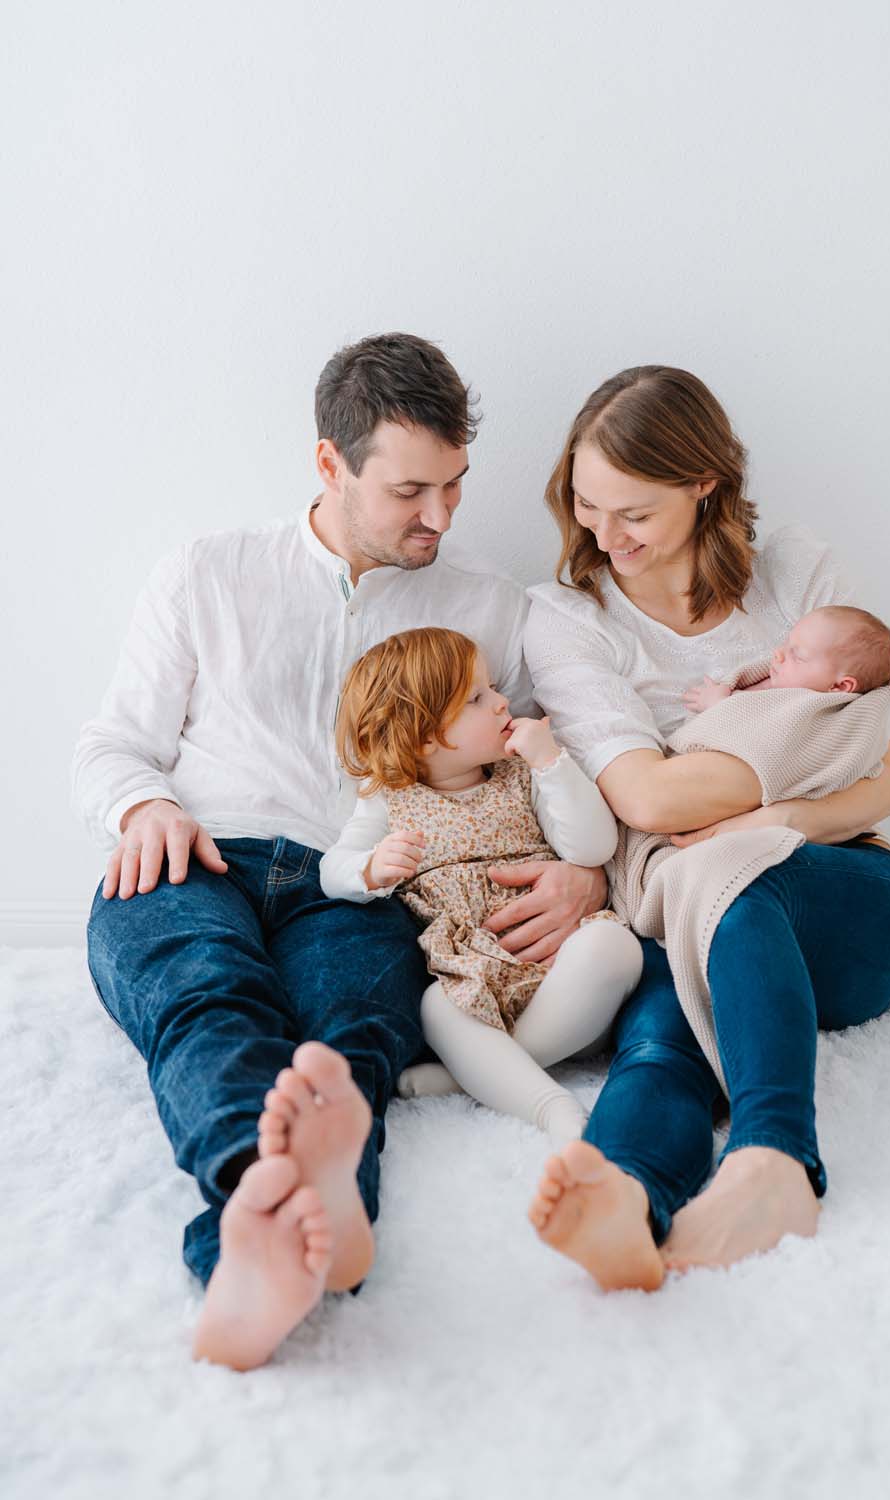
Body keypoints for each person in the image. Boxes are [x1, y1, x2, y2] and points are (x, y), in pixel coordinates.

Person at [73, 333, 608, 1370]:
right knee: (209, 999)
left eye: (455, 484)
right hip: (200, 854)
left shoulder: (489, 605)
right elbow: (113, 742)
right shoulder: (208, 573)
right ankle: (263, 1211)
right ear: (331, 463)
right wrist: (144, 806)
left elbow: (547, 757)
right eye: (410, 491)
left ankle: (283, 1243)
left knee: (355, 1035)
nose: (441, 516)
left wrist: (584, 869)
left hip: (361, 886)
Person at [521, 366, 890, 1291]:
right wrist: (807, 760)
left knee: (733, 869)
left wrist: (776, 817)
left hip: (849, 900)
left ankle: (776, 1159)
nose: (605, 536)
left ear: (705, 482)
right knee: (660, 1040)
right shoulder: (566, 618)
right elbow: (646, 802)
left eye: (635, 512)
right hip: (689, 923)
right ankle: (626, 1195)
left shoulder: (796, 572)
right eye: (587, 505)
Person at [319, 627, 643, 1145]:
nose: (501, 702)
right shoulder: (388, 798)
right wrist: (370, 869)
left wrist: (551, 763)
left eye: (493, 688)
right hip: (472, 976)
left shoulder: (522, 773)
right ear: (422, 735)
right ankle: (550, 1106)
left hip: (566, 983)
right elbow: (331, 869)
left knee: (615, 945)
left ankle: (478, 1073)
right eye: (476, 698)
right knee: (436, 1008)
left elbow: (593, 848)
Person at [683, 604, 890, 712]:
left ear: (839, 687)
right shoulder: (782, 683)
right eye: (787, 643)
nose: (778, 653)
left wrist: (718, 704)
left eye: (798, 655)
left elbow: (758, 729)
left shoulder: (806, 710)